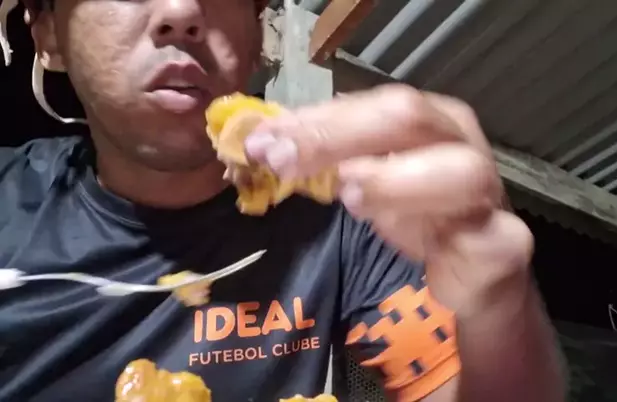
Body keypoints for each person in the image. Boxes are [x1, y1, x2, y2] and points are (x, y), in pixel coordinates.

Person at [0, 0, 565, 400]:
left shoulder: (352, 211)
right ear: (48, 34)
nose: (181, 9)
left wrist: (500, 304)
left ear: (255, 39)